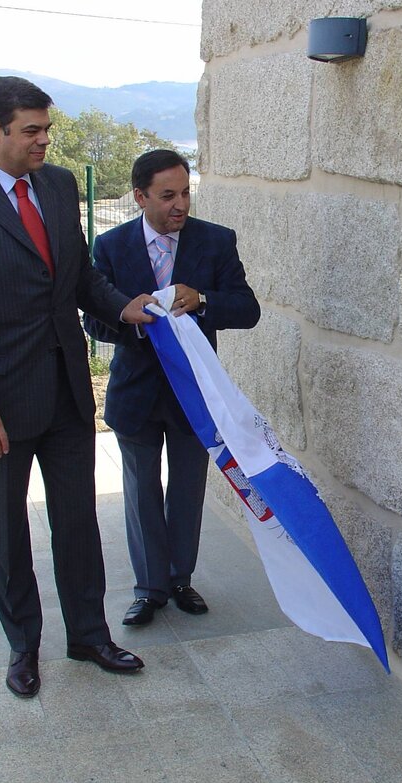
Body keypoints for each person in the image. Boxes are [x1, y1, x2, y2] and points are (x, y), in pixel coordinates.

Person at [0, 76, 158, 699]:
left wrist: (127, 307)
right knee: (6, 530)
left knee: (78, 521)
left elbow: (81, 280)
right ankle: (24, 646)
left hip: (67, 395)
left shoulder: (57, 186)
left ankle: (88, 635)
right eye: (31, 130)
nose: (44, 140)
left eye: (46, 128)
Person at [83, 149, 260, 627]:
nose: (180, 204)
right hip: (136, 397)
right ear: (140, 197)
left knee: (187, 490)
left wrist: (202, 300)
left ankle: (181, 579)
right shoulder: (111, 247)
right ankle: (149, 589)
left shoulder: (216, 242)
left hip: (195, 398)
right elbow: (93, 325)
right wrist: (131, 317)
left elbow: (248, 310)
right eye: (168, 196)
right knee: (141, 493)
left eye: (186, 192)